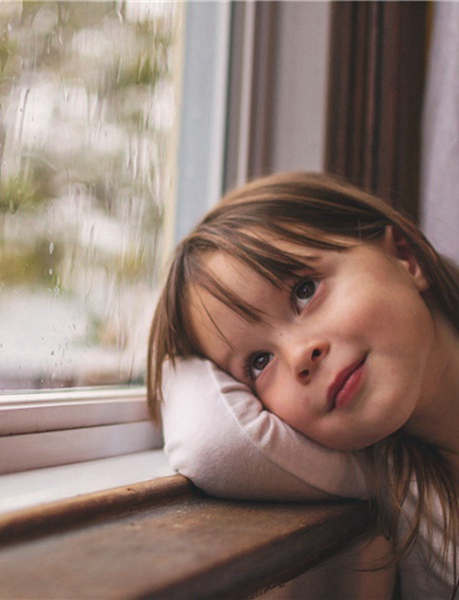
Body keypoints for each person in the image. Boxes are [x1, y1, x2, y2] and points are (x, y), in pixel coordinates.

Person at [147, 171, 459, 598]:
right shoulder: (389, 476)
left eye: (305, 290)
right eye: (258, 363)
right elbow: (214, 443)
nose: (298, 357)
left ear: (405, 257)